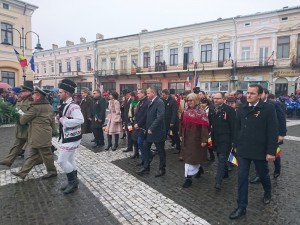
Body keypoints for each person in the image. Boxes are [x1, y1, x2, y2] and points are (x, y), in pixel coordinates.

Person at [229, 84, 278, 220]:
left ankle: (267, 191)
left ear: (260, 95)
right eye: (248, 93)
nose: (248, 95)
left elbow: (272, 131)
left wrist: (271, 151)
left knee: (263, 175)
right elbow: (237, 128)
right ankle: (241, 207)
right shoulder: (242, 108)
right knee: (242, 178)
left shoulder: (268, 108)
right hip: (243, 149)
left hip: (260, 150)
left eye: (252, 93)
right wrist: (236, 145)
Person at [11, 86, 57, 180]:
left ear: (39, 96)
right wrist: (54, 132)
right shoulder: (49, 106)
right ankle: (22, 173)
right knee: (33, 155)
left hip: (38, 135)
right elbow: (52, 121)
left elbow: (23, 121)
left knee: (46, 154)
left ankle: (52, 172)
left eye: (34, 94)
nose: (32, 96)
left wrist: (19, 114)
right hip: (43, 134)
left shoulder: (35, 108)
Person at [250, 89, 287, 184]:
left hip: (273, 134)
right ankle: (259, 175)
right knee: (259, 156)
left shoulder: (274, 104)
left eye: (261, 93)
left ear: (265, 94)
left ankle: (277, 169)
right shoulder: (256, 104)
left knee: (274, 152)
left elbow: (281, 119)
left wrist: (282, 134)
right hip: (260, 135)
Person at [57, 79, 84, 194]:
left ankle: (73, 182)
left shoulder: (73, 106)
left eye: (60, 92)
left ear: (67, 93)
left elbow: (80, 120)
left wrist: (63, 120)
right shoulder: (66, 104)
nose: (59, 94)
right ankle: (74, 181)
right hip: (70, 136)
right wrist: (59, 118)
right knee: (70, 158)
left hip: (72, 137)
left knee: (62, 161)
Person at [0, 81, 37, 167]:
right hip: (21, 127)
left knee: (37, 147)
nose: (21, 93)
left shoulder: (32, 101)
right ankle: (8, 160)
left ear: (29, 92)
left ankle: (43, 160)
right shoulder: (20, 100)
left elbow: (33, 114)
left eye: (23, 91)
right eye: (21, 91)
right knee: (17, 144)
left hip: (29, 127)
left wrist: (23, 116)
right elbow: (17, 109)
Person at [180, 93, 209, 188]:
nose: (189, 102)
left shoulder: (201, 113)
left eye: (191, 100)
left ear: (196, 100)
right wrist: (181, 134)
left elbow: (205, 127)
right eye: (188, 100)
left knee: (192, 158)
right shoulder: (185, 111)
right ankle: (199, 169)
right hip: (186, 138)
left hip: (196, 139)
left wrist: (204, 140)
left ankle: (188, 179)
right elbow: (182, 124)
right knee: (189, 158)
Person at [137, 86, 166, 177]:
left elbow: (160, 117)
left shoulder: (159, 102)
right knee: (145, 147)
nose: (147, 94)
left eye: (148, 93)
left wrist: (151, 128)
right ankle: (146, 167)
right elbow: (147, 116)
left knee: (161, 151)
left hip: (157, 131)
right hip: (149, 131)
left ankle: (162, 169)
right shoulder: (150, 102)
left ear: (153, 93)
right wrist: (141, 125)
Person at [209, 92, 236, 190]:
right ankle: (225, 173)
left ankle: (218, 181)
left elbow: (233, 126)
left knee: (221, 158)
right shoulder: (212, 109)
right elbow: (210, 123)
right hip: (215, 137)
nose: (215, 100)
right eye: (214, 98)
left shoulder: (229, 110)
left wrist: (234, 141)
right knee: (219, 156)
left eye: (218, 98)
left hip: (226, 138)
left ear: (223, 99)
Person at [133, 89, 150, 165]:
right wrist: (135, 122)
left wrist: (138, 124)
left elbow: (145, 116)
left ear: (143, 94)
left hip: (143, 126)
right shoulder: (140, 102)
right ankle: (144, 158)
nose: (138, 95)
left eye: (139, 93)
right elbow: (137, 114)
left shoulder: (147, 102)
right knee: (139, 142)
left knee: (141, 142)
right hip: (138, 125)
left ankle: (145, 158)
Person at [128, 91, 140, 158]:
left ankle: (137, 151)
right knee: (132, 136)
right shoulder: (132, 102)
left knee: (136, 137)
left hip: (136, 122)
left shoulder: (138, 102)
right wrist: (130, 117)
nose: (131, 98)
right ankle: (135, 152)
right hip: (131, 121)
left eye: (132, 96)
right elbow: (130, 111)